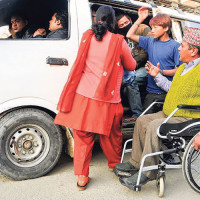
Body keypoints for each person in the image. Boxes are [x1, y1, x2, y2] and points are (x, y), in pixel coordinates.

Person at [54, 5, 136, 190]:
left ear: (96, 19)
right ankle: (115, 165)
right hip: (108, 99)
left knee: (82, 137)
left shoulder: (86, 36)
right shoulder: (117, 41)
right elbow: (131, 66)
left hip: (83, 97)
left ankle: (82, 177)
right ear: (113, 21)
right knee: (112, 134)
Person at [114, 26, 200, 189]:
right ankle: (135, 162)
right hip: (170, 113)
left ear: (194, 51)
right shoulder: (182, 67)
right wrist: (157, 76)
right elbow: (171, 88)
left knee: (154, 126)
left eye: (182, 46)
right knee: (141, 120)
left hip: (188, 118)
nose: (179, 48)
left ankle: (148, 172)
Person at [126, 7, 182, 113]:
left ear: (165, 28)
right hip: (150, 93)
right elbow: (129, 35)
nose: (152, 31)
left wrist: (160, 72)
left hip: (167, 93)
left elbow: (180, 71)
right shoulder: (150, 41)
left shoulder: (175, 46)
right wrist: (140, 18)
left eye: (155, 28)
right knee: (144, 123)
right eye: (151, 27)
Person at [116, 13, 151, 121]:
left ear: (131, 20)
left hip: (147, 66)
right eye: (121, 25)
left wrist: (131, 62)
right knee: (119, 82)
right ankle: (124, 109)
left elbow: (145, 51)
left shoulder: (142, 29)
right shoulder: (121, 36)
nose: (125, 25)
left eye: (126, 22)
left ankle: (137, 115)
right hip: (130, 67)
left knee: (132, 79)